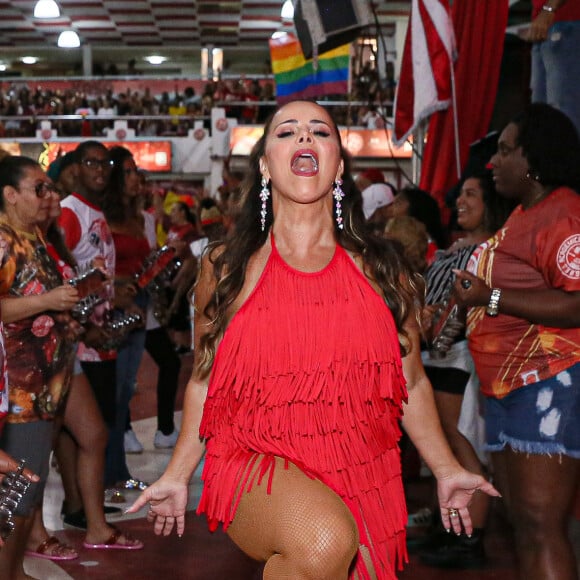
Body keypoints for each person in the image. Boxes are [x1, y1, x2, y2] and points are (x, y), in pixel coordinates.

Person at [128, 100, 499, 579]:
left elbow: (411, 381)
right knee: (323, 539)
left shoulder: (386, 270)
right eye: (287, 132)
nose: (304, 138)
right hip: (254, 455)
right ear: (264, 164)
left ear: (338, 164)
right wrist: (177, 474)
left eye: (319, 131)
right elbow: (204, 380)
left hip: (364, 463)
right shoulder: (225, 266)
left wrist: (446, 469)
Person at [452, 103, 580, 580]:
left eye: (505, 151)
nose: (493, 162)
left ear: (534, 158)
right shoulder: (525, 215)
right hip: (508, 390)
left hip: (546, 384)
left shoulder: (564, 213)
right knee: (523, 524)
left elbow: (577, 302)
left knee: (541, 526)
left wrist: (492, 296)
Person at [415, 170, 515, 568]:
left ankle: (470, 538)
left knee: (460, 445)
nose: (461, 202)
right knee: (445, 445)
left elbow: (496, 303)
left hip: (461, 354)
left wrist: (461, 308)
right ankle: (452, 529)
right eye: (460, 195)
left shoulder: (495, 251)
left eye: (472, 195)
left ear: (490, 203)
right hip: (435, 353)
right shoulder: (452, 249)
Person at [0, 155, 80, 578]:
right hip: (19, 391)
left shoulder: (30, 237)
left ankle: (17, 572)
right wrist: (48, 302)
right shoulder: (3, 240)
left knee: (25, 498)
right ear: (10, 195)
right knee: (17, 497)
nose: (49, 196)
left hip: (46, 390)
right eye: (39, 189)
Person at [526, 0, 580, 135]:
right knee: (540, 119)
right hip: (545, 25)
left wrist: (549, 8)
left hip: (567, 23)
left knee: (564, 115)